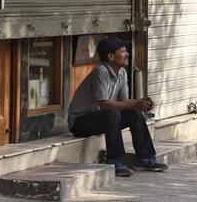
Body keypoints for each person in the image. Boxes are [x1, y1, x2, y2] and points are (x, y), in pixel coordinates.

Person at [67, 37, 167, 177]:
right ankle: (114, 160)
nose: (127, 54)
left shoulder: (121, 72)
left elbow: (124, 101)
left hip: (100, 118)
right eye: (123, 51)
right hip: (80, 122)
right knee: (112, 113)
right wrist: (135, 103)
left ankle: (145, 158)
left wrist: (141, 104)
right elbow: (104, 104)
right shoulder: (100, 71)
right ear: (111, 56)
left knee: (134, 113)